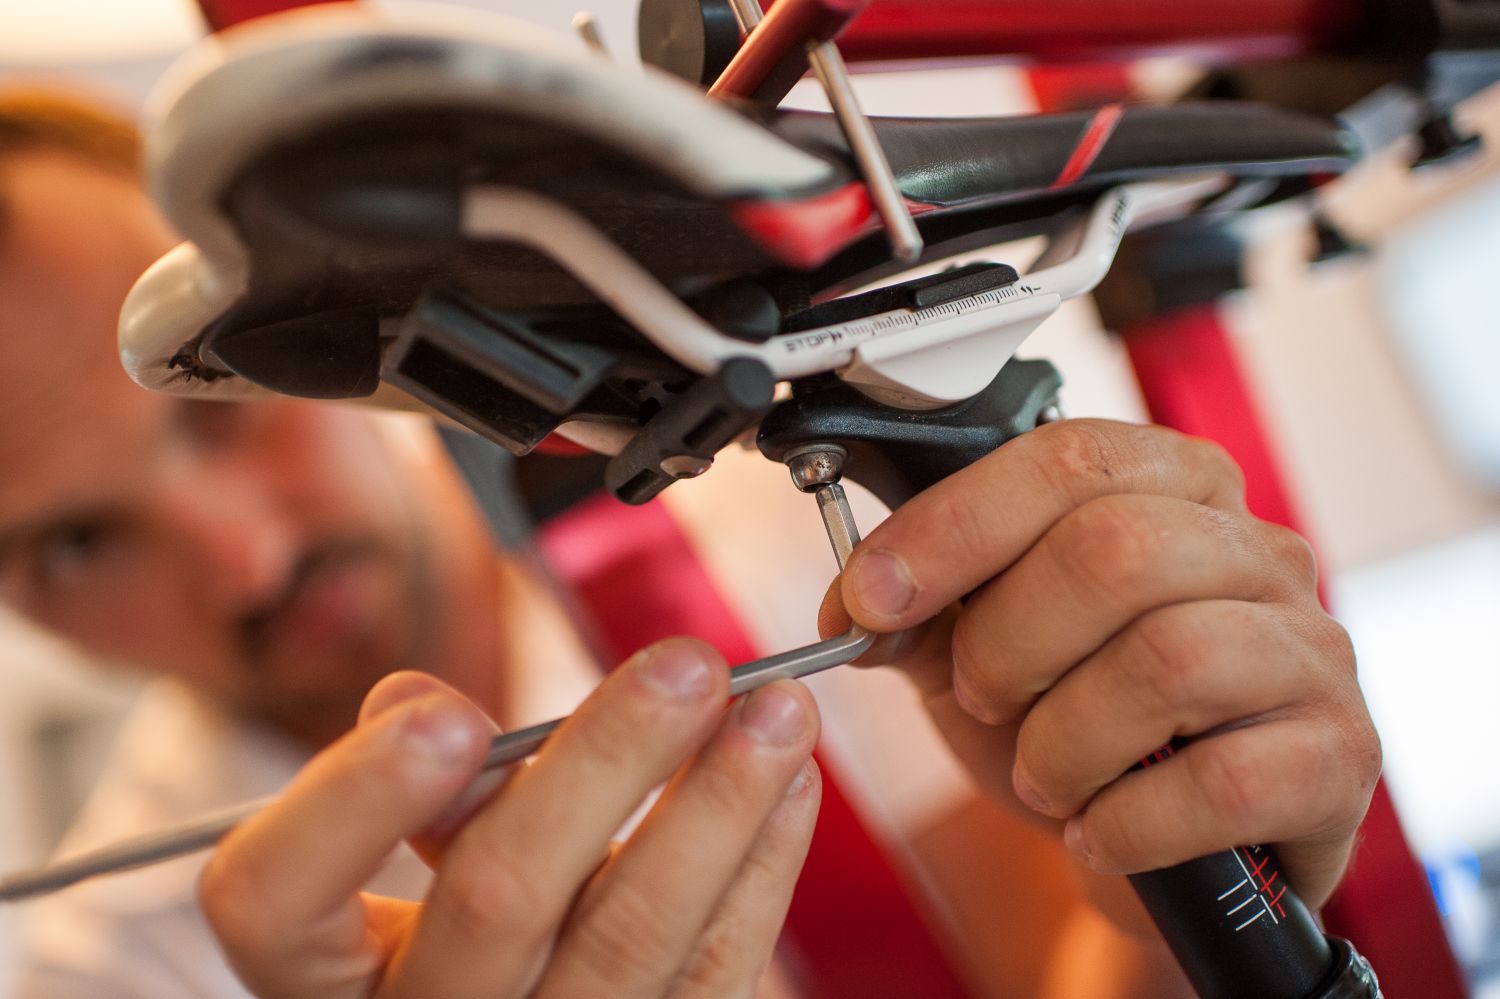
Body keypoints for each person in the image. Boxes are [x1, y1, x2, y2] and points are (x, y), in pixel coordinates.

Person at [0, 87, 1380, 997]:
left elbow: (1060, 967)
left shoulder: (801, 541)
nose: (242, 562)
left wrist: (1184, 894)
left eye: (215, 423)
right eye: (72, 543)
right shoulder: (104, 970)